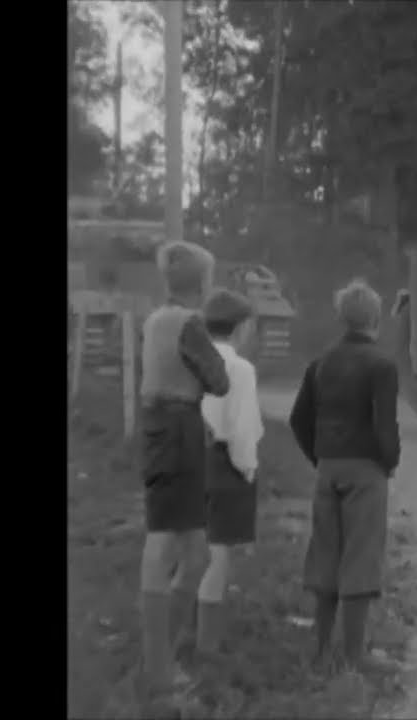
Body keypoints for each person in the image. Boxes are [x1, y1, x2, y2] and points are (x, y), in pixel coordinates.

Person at [288, 278, 401, 677]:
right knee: (361, 557)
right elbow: (384, 425)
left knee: (325, 556)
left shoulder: (320, 363)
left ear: (341, 318)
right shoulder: (382, 365)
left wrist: (318, 457)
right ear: (374, 317)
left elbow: (298, 419)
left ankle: (320, 651)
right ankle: (355, 655)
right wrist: (389, 462)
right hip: (365, 470)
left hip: (328, 467)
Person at [137, 241, 230, 705]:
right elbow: (219, 380)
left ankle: (163, 655)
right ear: (200, 284)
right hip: (178, 432)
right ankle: (157, 671)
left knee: (196, 553)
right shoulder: (190, 324)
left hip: (161, 429)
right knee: (165, 543)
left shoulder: (155, 319)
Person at [195, 288, 264, 655]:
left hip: (186, 459)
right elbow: (242, 429)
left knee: (190, 548)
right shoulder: (239, 369)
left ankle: (179, 631)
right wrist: (248, 468)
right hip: (222, 463)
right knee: (218, 556)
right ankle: (206, 645)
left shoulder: (189, 360)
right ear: (240, 328)